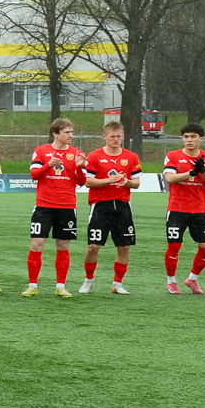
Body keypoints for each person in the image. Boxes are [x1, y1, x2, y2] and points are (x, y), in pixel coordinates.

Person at [27, 117, 86, 298]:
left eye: (72, 132)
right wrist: (48, 165)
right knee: (37, 244)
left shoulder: (77, 154)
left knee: (63, 245)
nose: (71, 135)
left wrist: (79, 167)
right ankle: (32, 285)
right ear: (55, 134)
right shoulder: (41, 151)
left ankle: (61, 286)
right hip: (44, 206)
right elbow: (34, 175)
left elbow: (82, 182)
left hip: (67, 206)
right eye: (67, 132)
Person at [82, 119, 142, 295]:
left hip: (123, 205)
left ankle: (118, 283)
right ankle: (88, 280)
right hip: (100, 205)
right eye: (112, 136)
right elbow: (88, 181)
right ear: (105, 137)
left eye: (119, 136)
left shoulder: (131, 157)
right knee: (94, 246)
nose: (116, 139)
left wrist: (127, 182)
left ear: (123, 136)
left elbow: (137, 183)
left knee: (124, 246)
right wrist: (109, 180)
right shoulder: (95, 156)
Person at [162, 122, 205, 295]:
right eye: (186, 136)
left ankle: (192, 279)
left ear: (201, 139)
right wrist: (191, 173)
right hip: (177, 209)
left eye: (193, 136)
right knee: (174, 246)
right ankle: (171, 281)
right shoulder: (173, 155)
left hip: (200, 210)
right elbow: (170, 178)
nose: (189, 140)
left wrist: (203, 170)